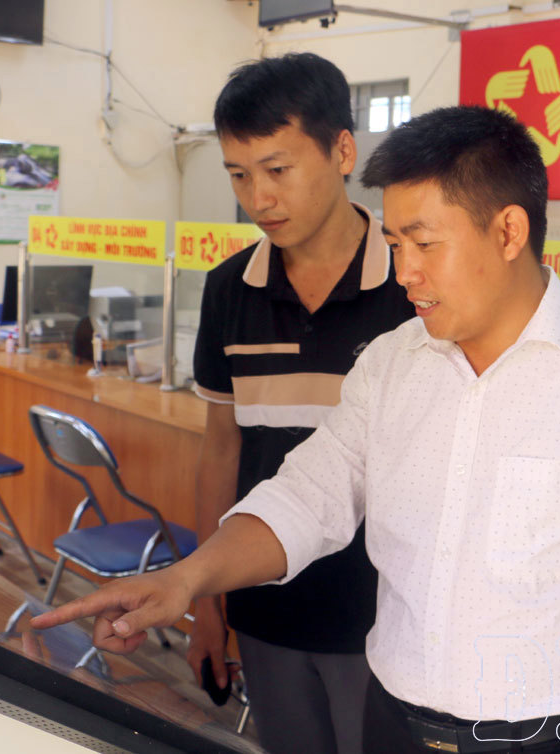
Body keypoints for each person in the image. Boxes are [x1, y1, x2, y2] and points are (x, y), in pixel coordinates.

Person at [33, 105, 560, 753]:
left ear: (508, 232)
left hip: (549, 737)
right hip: (395, 724)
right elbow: (307, 498)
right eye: (394, 243)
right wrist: (186, 579)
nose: (406, 272)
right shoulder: (391, 364)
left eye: (425, 243)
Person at [187, 53, 413, 754]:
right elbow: (221, 450)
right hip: (266, 609)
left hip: (386, 617)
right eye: (238, 175)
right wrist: (206, 602)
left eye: (277, 169)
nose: (259, 198)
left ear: (343, 151)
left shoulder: (413, 284)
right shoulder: (229, 290)